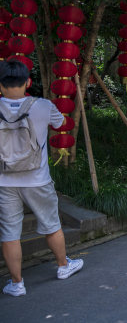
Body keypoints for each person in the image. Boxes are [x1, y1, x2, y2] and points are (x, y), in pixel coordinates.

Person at [0, 60, 84, 297]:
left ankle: (17, 284)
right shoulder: (43, 106)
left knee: (9, 234)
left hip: (4, 181)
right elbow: (61, 124)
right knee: (51, 225)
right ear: (28, 82)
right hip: (37, 179)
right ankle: (63, 266)